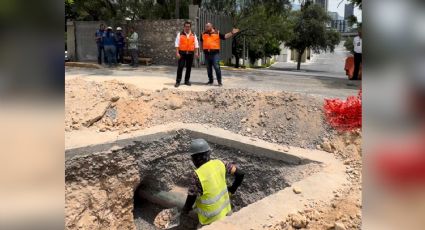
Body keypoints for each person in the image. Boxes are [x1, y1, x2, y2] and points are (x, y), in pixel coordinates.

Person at [181, 139, 245, 226]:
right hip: (226, 212)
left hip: (210, 221)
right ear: (208, 153)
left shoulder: (197, 176)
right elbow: (240, 174)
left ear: (194, 159)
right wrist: (232, 189)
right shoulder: (221, 163)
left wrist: (185, 211)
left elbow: (191, 198)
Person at [174, 21, 200, 88]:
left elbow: (196, 44)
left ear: (190, 27)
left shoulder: (193, 34)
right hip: (182, 53)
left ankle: (186, 81)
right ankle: (178, 81)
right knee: (180, 67)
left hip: (190, 53)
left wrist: (196, 52)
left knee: (189, 68)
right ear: (184, 27)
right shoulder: (180, 34)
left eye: (188, 26)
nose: (187, 28)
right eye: (186, 26)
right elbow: (177, 44)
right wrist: (177, 53)